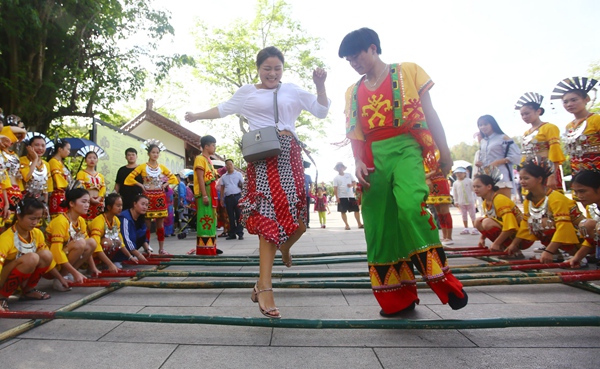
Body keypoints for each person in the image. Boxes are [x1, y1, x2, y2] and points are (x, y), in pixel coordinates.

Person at [185, 46, 330, 318]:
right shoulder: (247, 92)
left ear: (282, 70)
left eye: (277, 68)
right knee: (268, 216)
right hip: (262, 158)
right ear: (258, 68)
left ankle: (284, 247)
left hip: (290, 155)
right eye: (267, 69)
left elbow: (321, 111)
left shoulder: (293, 90)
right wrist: (196, 116)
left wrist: (320, 85)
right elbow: (223, 109)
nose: (272, 73)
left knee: (298, 222)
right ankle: (264, 285)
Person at [339, 27, 467, 316]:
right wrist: (358, 160)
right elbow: (355, 132)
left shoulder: (408, 71)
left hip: (406, 147)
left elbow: (430, 113)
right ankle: (397, 298)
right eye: (347, 59)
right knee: (379, 225)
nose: (353, 62)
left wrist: (444, 152)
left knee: (411, 207)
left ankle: (445, 282)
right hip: (372, 157)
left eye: (355, 55)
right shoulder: (353, 90)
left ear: (373, 48)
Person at [506, 158, 585, 264]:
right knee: (534, 223)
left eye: (526, 178)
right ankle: (555, 252)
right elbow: (525, 225)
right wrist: (513, 245)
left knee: (544, 223)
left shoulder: (555, 198)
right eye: (520, 178)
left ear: (539, 179)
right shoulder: (529, 200)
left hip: (583, 238)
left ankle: (578, 255)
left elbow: (564, 227)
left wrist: (548, 251)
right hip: (564, 236)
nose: (522, 182)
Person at [0, 199, 68, 310]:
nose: (35, 223)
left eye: (38, 219)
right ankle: (2, 297)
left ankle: (28, 290)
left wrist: (60, 279)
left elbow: (48, 260)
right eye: (32, 219)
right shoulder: (6, 238)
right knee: (32, 257)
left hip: (21, 277)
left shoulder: (37, 234)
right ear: (18, 216)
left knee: (46, 254)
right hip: (3, 279)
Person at [124, 140, 178, 255]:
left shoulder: (162, 167)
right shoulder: (142, 167)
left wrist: (165, 184)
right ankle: (147, 247)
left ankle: (161, 248)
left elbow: (174, 179)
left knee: (160, 224)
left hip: (159, 197)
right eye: (153, 152)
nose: (155, 154)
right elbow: (128, 179)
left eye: (157, 152)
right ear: (148, 154)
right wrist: (140, 185)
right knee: (147, 224)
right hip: (147, 198)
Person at [45, 188, 98, 290]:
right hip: (50, 266)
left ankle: (68, 274)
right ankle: (61, 278)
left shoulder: (81, 221)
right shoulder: (60, 221)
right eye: (83, 202)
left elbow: (89, 246)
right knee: (80, 243)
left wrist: (93, 268)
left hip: (64, 261)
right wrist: (76, 272)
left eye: (88, 202)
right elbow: (55, 252)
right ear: (72, 204)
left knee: (91, 242)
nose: (87, 205)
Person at [472, 170, 532, 255]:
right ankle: (503, 246)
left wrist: (496, 243)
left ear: (489, 187)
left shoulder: (499, 199)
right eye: (474, 187)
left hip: (523, 238)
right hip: (512, 234)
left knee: (487, 223)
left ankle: (512, 248)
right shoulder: (486, 201)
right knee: (478, 221)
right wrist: (482, 238)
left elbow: (510, 227)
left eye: (478, 186)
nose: (475, 189)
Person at [515, 92, 565, 191]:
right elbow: (524, 157)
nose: (524, 117)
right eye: (522, 114)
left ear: (538, 111)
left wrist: (551, 175)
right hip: (531, 173)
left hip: (546, 171)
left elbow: (554, 152)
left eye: (527, 113)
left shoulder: (549, 127)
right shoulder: (526, 133)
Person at [550, 77, 599, 175]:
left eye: (574, 100)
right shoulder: (569, 126)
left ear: (586, 99)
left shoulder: (596, 119)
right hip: (577, 171)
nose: (569, 104)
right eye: (565, 102)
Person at [475, 115, 521, 199]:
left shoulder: (503, 138)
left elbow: (516, 155)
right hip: (486, 177)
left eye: (485, 124)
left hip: (501, 175)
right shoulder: (483, 141)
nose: (483, 127)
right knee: (490, 207)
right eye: (480, 125)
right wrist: (480, 163)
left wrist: (498, 162)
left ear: (492, 124)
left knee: (503, 204)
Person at [89, 193, 138, 269]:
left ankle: (104, 263)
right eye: (118, 206)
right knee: (107, 242)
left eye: (121, 205)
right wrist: (110, 264)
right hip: (90, 254)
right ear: (108, 207)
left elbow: (121, 242)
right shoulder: (99, 221)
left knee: (117, 241)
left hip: (101, 252)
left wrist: (130, 257)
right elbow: (96, 246)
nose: (121, 208)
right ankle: (94, 266)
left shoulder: (116, 220)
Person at [192, 135, 221, 255]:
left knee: (211, 220)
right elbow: (200, 179)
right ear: (206, 146)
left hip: (211, 193)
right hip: (205, 194)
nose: (214, 147)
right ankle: (205, 249)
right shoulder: (200, 158)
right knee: (206, 219)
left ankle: (212, 246)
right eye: (213, 145)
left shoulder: (208, 160)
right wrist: (204, 195)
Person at [569, 170, 600, 267]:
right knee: (585, 225)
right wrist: (577, 257)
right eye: (576, 192)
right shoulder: (591, 207)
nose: (578, 196)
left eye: (582, 191)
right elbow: (591, 238)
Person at [425, 154, 453, 245]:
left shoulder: (439, 153)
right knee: (438, 212)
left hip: (441, 182)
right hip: (431, 184)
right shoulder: (424, 155)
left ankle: (449, 237)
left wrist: (428, 175)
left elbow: (447, 168)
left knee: (444, 211)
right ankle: (444, 236)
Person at [20, 134, 53, 205]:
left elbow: (46, 188)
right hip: (25, 199)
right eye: (37, 145)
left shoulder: (46, 164)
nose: (40, 148)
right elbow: (26, 177)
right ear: (29, 147)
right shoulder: (23, 160)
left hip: (40, 201)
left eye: (43, 146)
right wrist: (35, 159)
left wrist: (45, 204)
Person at [118, 194, 150, 263]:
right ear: (134, 204)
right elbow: (125, 239)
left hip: (131, 250)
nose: (145, 207)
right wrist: (138, 254)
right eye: (142, 204)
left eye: (146, 205)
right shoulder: (125, 217)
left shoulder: (140, 218)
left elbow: (143, 236)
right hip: (120, 249)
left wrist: (147, 249)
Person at [76, 150, 106, 221]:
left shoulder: (100, 175)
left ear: (97, 160)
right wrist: (90, 198)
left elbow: (103, 187)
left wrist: (99, 198)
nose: (92, 160)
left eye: (94, 158)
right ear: (85, 160)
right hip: (86, 201)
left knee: (98, 221)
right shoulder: (81, 173)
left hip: (98, 201)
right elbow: (81, 186)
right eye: (89, 158)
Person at [333, 162, 363, 230]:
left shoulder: (349, 175)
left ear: (343, 168)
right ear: (337, 169)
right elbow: (335, 188)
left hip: (351, 195)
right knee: (343, 211)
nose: (340, 168)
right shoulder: (336, 178)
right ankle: (346, 225)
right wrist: (337, 197)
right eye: (338, 167)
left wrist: (351, 185)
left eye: (341, 167)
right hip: (342, 196)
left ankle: (359, 223)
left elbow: (354, 182)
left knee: (356, 209)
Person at [220, 159, 244, 240]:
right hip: (228, 198)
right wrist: (221, 199)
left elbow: (243, 185)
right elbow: (222, 188)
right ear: (226, 166)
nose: (229, 166)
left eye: (231, 164)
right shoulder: (223, 177)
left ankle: (240, 233)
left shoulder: (239, 174)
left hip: (237, 197)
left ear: (233, 165)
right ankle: (232, 233)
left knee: (239, 215)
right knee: (230, 216)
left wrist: (244, 196)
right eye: (228, 165)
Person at [47, 139, 72, 218]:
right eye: (67, 149)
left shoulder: (61, 163)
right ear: (60, 149)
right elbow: (58, 179)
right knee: (58, 217)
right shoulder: (53, 162)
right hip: (57, 193)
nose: (69, 152)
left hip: (64, 194)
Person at [451, 167, 478, 235]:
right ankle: (466, 228)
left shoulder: (469, 181)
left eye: (460, 173)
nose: (459, 174)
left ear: (465, 174)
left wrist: (475, 199)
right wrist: (455, 201)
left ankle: (475, 228)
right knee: (464, 215)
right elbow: (455, 193)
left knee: (472, 215)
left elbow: (473, 190)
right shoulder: (455, 183)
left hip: (470, 201)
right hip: (461, 202)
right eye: (457, 173)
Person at [303, 161, 313, 228]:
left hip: (307, 195)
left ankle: (307, 223)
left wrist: (311, 188)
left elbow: (311, 185)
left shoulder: (308, 176)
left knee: (307, 209)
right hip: (298, 195)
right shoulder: (295, 175)